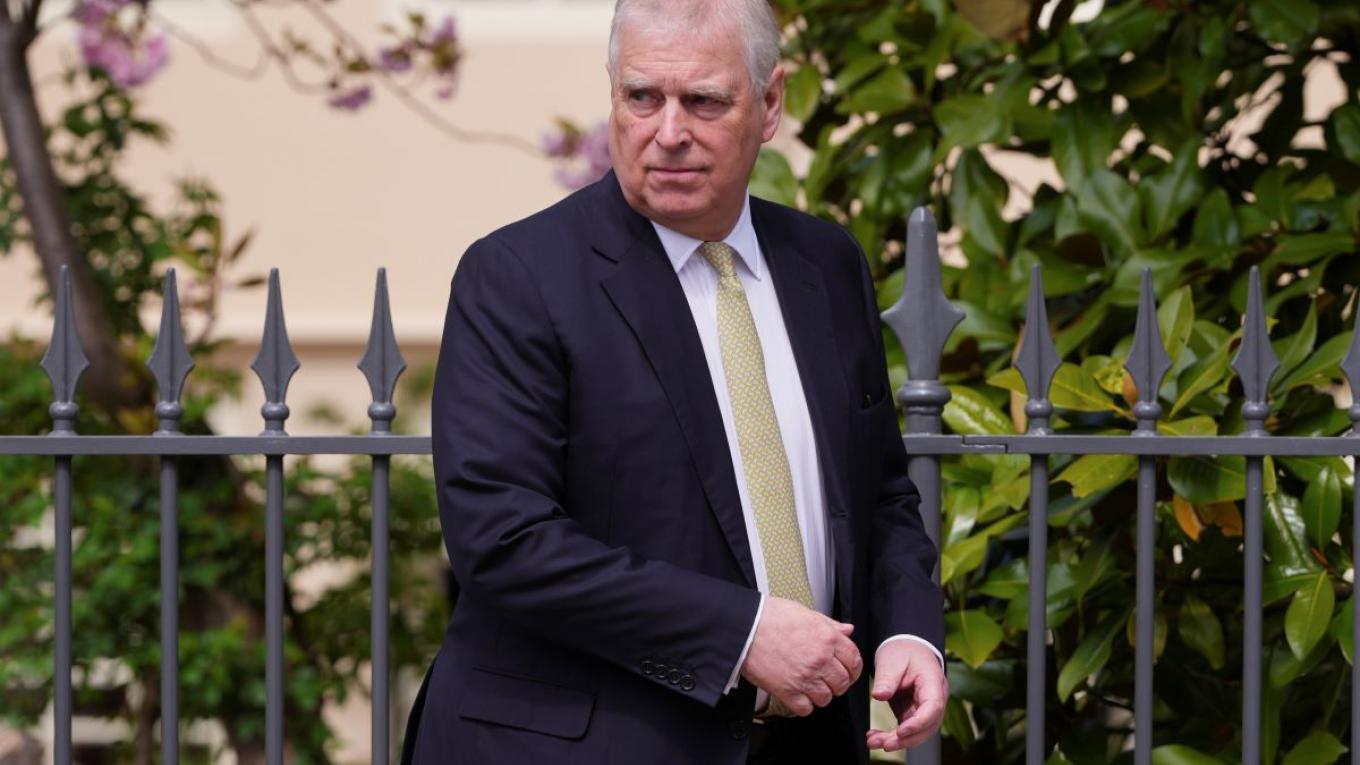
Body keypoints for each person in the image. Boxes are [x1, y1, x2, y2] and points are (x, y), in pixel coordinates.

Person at [408, 1, 947, 762]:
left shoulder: (825, 265)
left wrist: (908, 631)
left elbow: (881, 492)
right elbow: (503, 538)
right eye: (642, 97)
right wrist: (743, 634)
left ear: (770, 103)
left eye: (703, 100)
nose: (668, 132)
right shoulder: (519, 277)